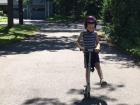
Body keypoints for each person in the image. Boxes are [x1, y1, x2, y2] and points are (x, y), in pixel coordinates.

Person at [76, 16, 107, 87]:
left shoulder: (95, 33)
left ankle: (102, 79)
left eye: (93, 27)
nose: (91, 29)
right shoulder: (83, 33)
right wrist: (81, 47)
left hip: (94, 52)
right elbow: (77, 42)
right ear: (86, 26)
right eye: (89, 27)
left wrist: (98, 48)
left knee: (98, 66)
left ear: (95, 26)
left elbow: (98, 43)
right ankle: (88, 83)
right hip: (86, 53)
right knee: (87, 69)